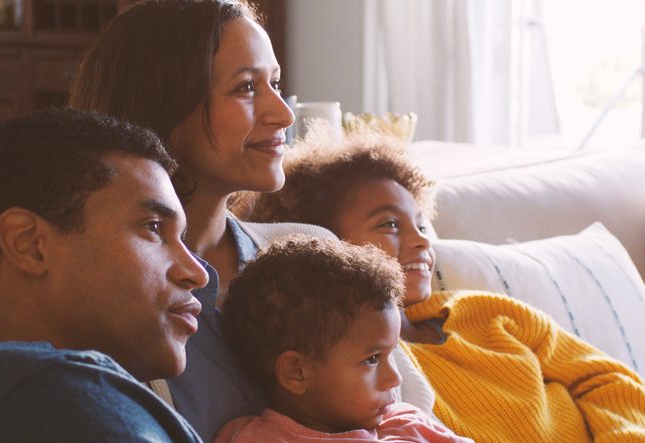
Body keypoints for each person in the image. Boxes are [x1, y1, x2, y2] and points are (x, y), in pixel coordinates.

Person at [241, 124, 645, 443]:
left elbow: (608, 378)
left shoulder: (485, 311)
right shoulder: (362, 370)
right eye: (390, 224)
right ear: (324, 244)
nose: (420, 240)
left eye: (421, 223)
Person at [69, 1, 344, 440]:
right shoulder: (110, 310)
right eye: (246, 88)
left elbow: (408, 409)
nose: (284, 114)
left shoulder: (315, 251)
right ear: (161, 107)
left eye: (275, 82)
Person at [0, 108, 210, 442]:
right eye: (153, 228)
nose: (198, 274)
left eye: (181, 239)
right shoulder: (75, 412)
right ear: (30, 244)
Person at [216, 238, 474, 442]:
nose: (395, 379)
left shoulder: (408, 424)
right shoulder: (257, 439)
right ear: (297, 372)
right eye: (372, 359)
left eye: (391, 353)